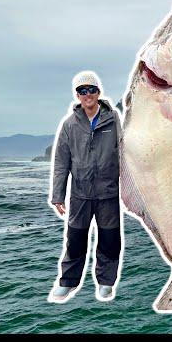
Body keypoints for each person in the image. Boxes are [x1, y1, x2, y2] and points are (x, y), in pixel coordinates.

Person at [48, 71, 123, 303]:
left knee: (110, 241)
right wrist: (58, 195)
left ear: (98, 93)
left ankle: (106, 283)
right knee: (76, 239)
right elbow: (61, 162)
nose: (87, 94)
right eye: (82, 90)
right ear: (78, 96)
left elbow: (125, 154)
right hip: (80, 194)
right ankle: (68, 282)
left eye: (91, 89)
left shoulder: (113, 120)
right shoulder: (70, 125)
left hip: (108, 193)